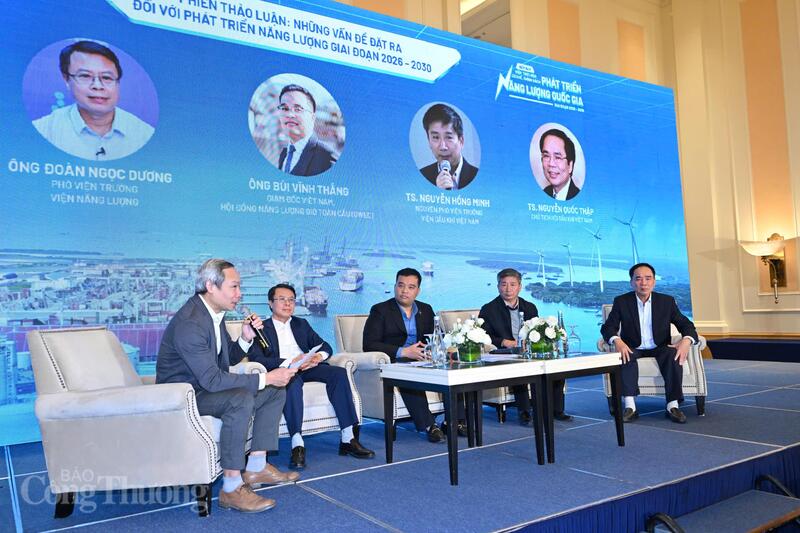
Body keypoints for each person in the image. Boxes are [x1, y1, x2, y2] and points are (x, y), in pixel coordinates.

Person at [156, 259, 299, 513]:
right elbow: (212, 379)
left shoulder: (214, 314)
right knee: (241, 397)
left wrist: (245, 338)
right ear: (211, 286)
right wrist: (266, 377)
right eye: (234, 287)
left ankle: (256, 468)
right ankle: (231, 487)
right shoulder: (191, 322)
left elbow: (227, 359)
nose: (239, 293)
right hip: (182, 396)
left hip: (203, 389)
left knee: (274, 391)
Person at [247, 283, 375, 470]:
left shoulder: (301, 324)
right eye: (282, 299)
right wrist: (288, 362)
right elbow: (256, 359)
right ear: (270, 303)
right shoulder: (261, 329)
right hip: (283, 370)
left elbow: (325, 347)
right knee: (291, 382)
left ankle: (348, 438)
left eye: (291, 300)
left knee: (339, 374)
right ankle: (297, 444)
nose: (287, 304)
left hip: (306, 367)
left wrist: (317, 357)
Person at [363, 268, 466, 441]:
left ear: (417, 290)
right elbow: (369, 344)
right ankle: (429, 425)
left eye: (411, 287)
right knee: (408, 373)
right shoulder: (380, 310)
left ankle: (455, 422)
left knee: (452, 368)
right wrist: (403, 351)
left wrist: (432, 351)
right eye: (401, 285)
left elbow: (437, 338)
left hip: (422, 359)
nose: (404, 291)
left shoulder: (425, 309)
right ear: (395, 286)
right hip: (396, 361)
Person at [600, 262, 699, 424]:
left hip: (660, 346)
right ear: (632, 282)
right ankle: (630, 407)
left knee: (673, 354)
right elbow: (608, 327)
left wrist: (686, 341)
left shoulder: (666, 301)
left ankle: (672, 405)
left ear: (654, 281)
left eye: (648, 278)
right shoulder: (622, 301)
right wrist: (617, 341)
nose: (643, 283)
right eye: (638, 279)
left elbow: (686, 324)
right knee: (624, 355)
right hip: (633, 346)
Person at [32, 40, 154, 161]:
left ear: (118, 83)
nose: (97, 86)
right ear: (67, 80)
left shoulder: (144, 134)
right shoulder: (44, 130)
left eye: (106, 77)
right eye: (85, 76)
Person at [479, 268, 571, 424]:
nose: (508, 289)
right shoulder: (489, 309)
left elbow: (537, 330)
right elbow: (484, 335)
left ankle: (556, 410)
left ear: (519, 287)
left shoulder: (529, 307)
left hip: (529, 350)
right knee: (520, 368)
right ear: (498, 286)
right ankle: (525, 411)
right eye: (504, 284)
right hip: (505, 352)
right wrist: (503, 341)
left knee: (556, 367)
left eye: (512, 284)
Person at [276, 84, 337, 176]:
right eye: (284, 108)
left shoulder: (327, 157)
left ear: (312, 117)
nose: (290, 114)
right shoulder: (284, 153)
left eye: (298, 109)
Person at [419, 103, 478, 190]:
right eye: (435, 137)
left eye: (449, 137)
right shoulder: (421, 177)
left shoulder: (477, 176)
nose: (443, 147)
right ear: (429, 141)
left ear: (461, 141)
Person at [538, 128, 581, 200]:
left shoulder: (582, 199)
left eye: (558, 157)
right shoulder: (541, 194)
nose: (551, 163)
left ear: (570, 165)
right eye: (546, 156)